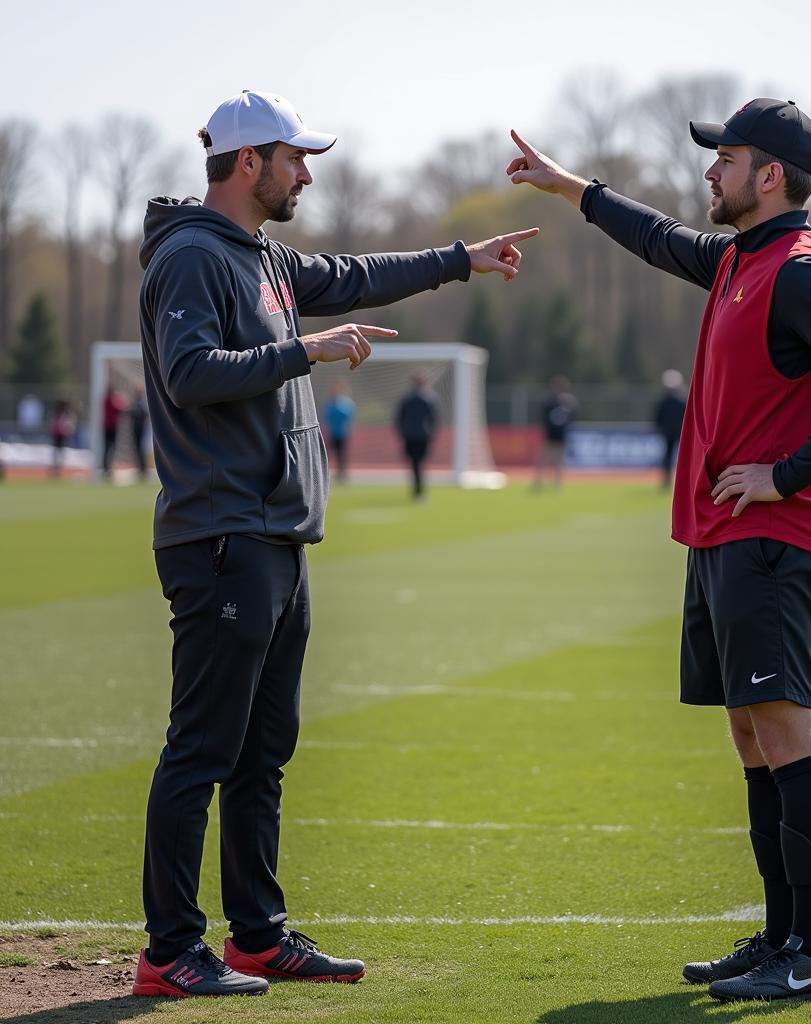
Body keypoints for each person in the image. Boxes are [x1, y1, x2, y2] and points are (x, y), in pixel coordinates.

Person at [133, 88, 538, 1000]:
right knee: (202, 748)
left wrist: (459, 262)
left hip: (276, 535)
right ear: (249, 164)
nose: (306, 172)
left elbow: (353, 275)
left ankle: (257, 936)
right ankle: (168, 952)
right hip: (222, 537)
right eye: (294, 158)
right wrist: (305, 353)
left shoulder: (260, 254)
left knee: (263, 749)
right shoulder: (197, 256)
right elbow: (191, 373)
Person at [508, 99, 811, 1003]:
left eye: (725, 160)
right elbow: (652, 236)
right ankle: (778, 939)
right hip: (722, 537)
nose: (708, 174)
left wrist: (788, 472)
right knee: (750, 736)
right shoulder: (738, 258)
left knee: (786, 730)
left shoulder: (798, 272)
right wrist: (566, 184)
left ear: (771, 177)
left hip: (772, 535)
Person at [395, 371, 437, 499]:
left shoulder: (418, 399)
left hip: (416, 436)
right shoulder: (425, 399)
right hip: (416, 435)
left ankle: (418, 489)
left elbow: (399, 418)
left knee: (416, 463)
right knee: (417, 463)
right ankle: (418, 489)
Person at [533, 375, 576, 490]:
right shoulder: (550, 401)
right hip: (549, 436)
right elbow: (544, 414)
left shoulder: (568, 401)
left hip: (561, 437)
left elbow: (572, 418)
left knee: (559, 462)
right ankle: (539, 483)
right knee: (542, 461)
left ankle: (558, 485)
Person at [652, 369, 687, 489]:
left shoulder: (665, 401)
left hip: (670, 433)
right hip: (678, 433)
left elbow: (658, 418)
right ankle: (681, 480)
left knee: (670, 456)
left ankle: (668, 480)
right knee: (681, 457)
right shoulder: (681, 401)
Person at [323, 382, 356, 481]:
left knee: (341, 454)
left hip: (342, 433)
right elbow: (326, 416)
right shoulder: (329, 403)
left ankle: (342, 473)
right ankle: (324, 472)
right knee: (327, 453)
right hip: (332, 432)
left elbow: (349, 415)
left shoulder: (346, 402)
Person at [102, 385, 127, 478]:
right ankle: (107, 468)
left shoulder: (107, 398)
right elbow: (118, 408)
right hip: (111, 426)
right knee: (110, 448)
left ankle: (107, 468)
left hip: (109, 426)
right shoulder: (109, 398)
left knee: (108, 448)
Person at [50, 399, 76, 478]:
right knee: (58, 453)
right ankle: (56, 470)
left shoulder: (62, 414)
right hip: (59, 435)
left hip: (60, 435)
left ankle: (57, 470)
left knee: (59, 453)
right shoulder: (61, 414)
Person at [129, 386, 149, 480]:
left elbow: (144, 414)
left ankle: (143, 469)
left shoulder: (142, 404)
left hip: (141, 429)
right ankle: (140, 468)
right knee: (137, 449)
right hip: (136, 429)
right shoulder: (135, 404)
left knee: (141, 449)